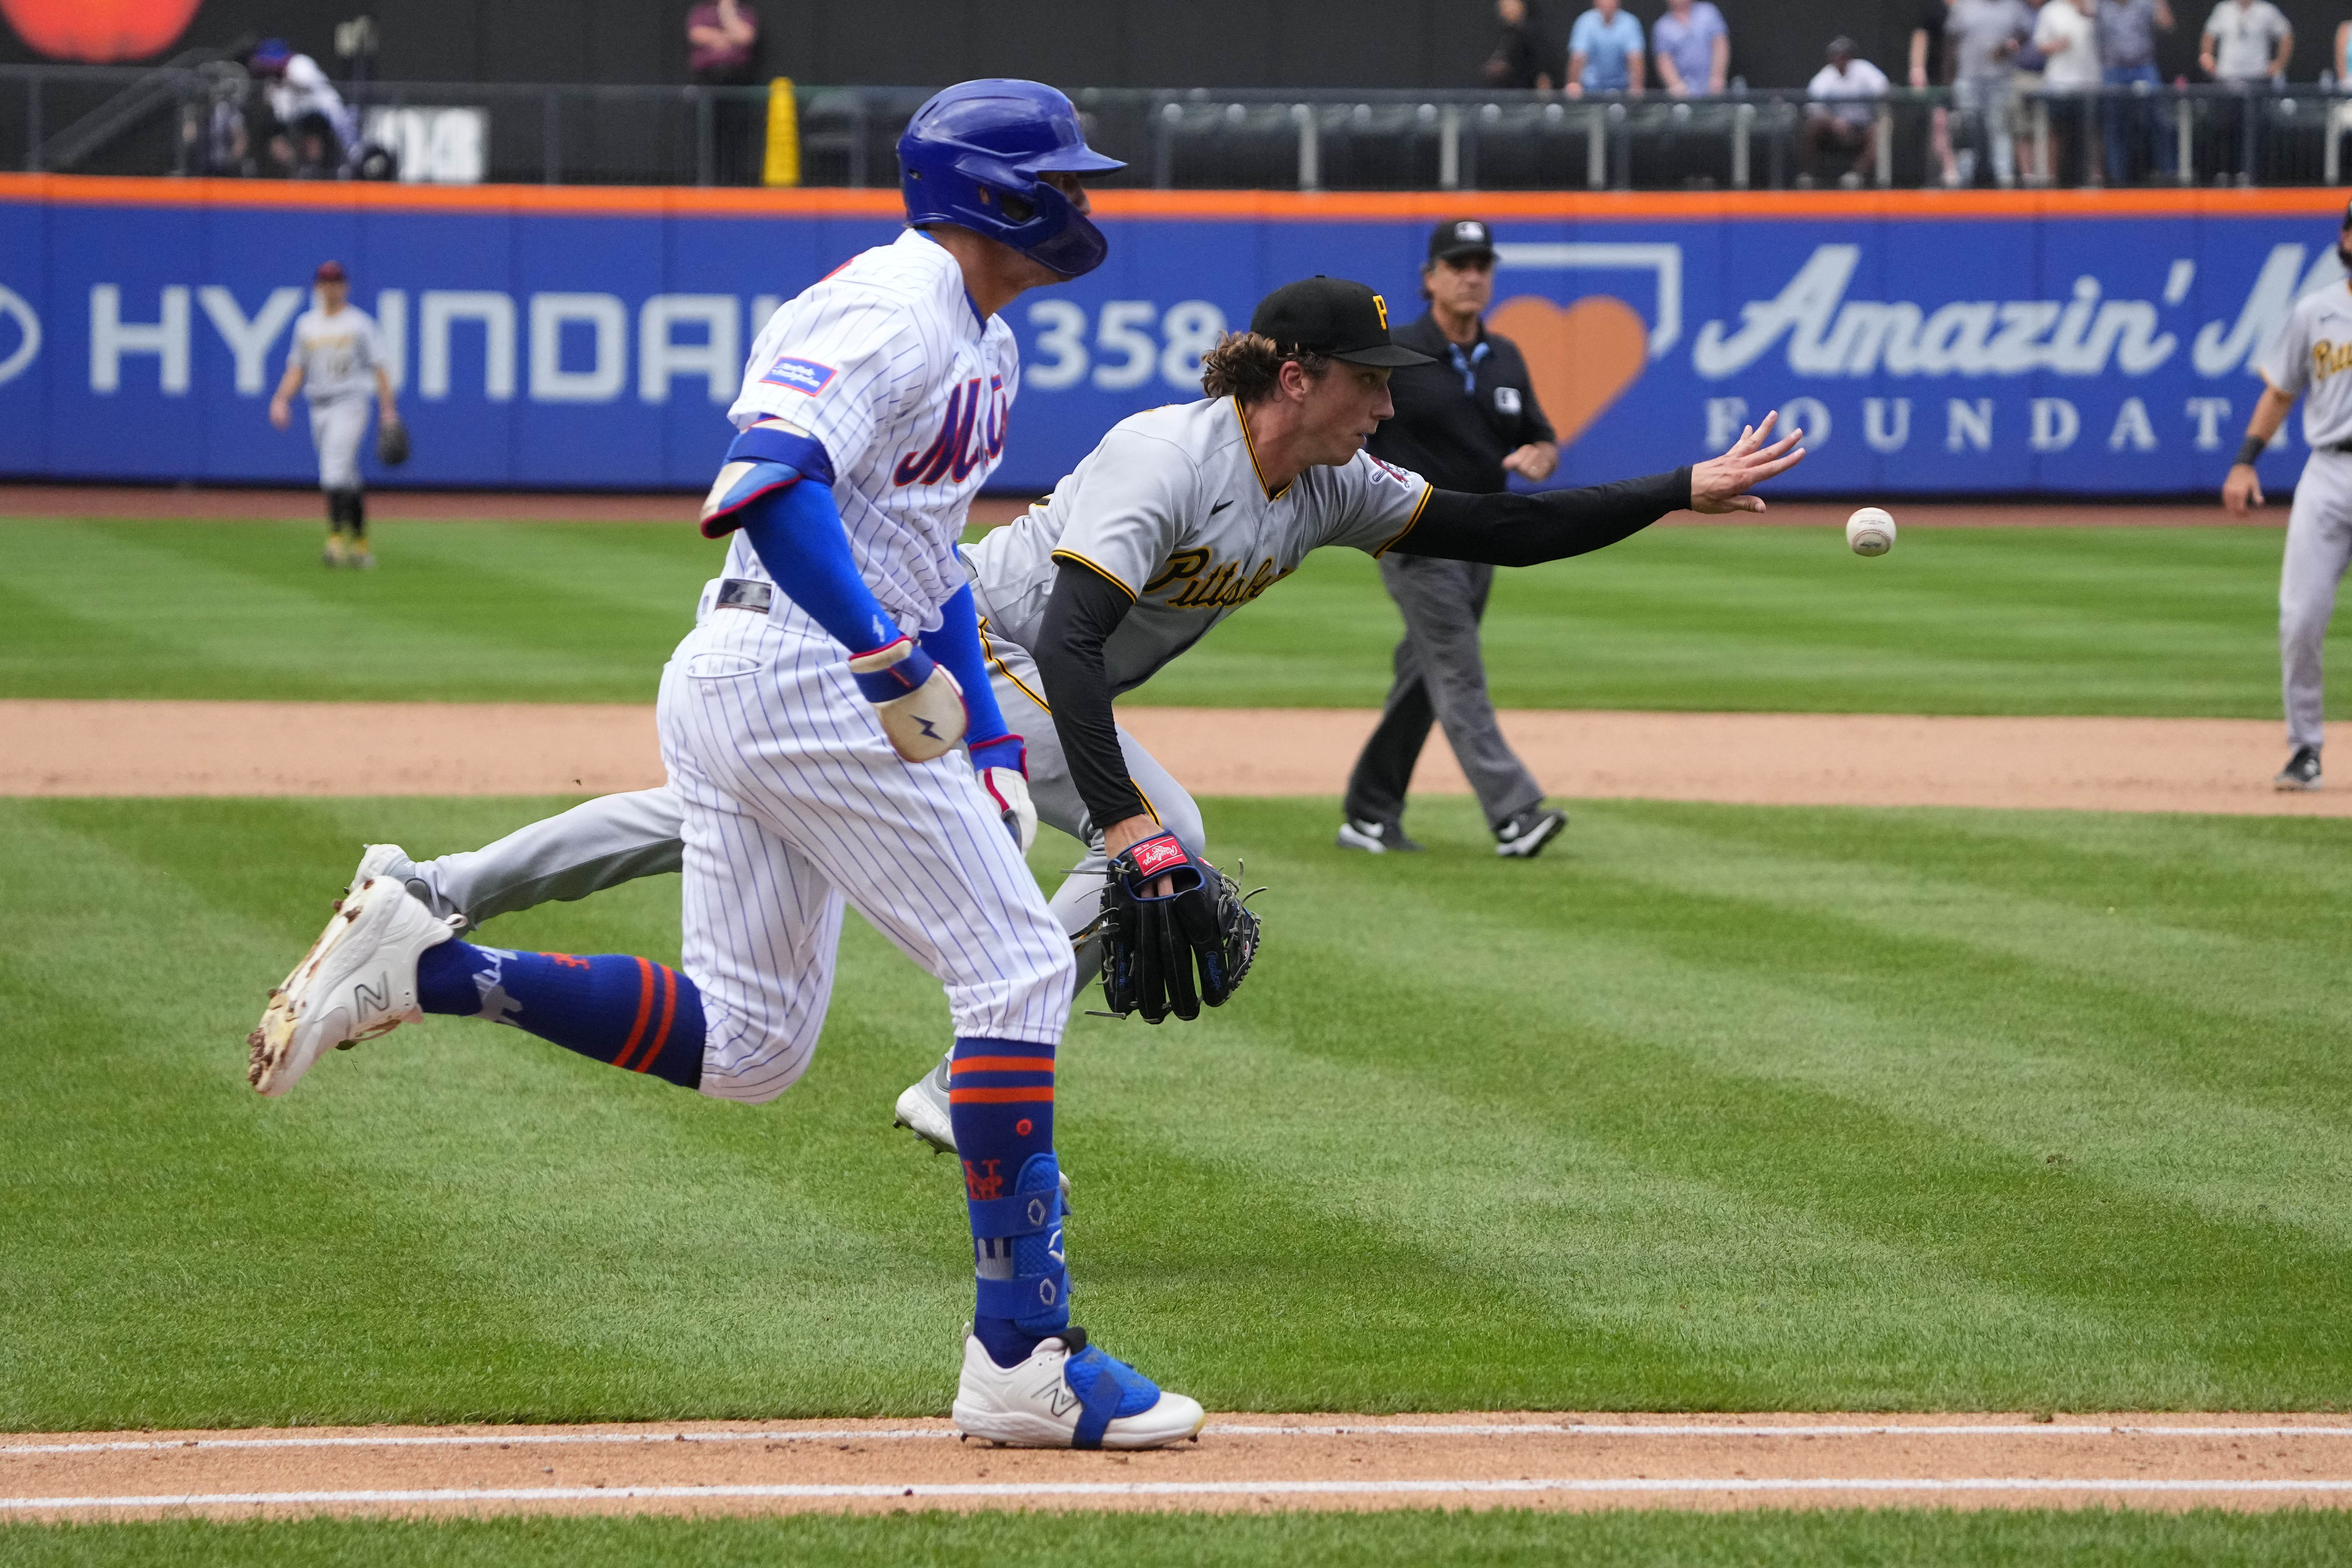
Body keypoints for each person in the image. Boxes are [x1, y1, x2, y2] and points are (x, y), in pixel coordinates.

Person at [294, 278, 1803, 1173]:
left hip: (1010, 663)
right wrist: (1132, 825)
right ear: (1297, 376)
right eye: (1368, 381)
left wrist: (1682, 485)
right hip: (983, 640)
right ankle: (966, 1072)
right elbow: (1075, 646)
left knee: (729, 819)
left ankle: (439, 890)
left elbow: (1495, 522)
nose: (1384, 405)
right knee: (1174, 835)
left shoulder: (1337, 484)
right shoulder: (1173, 454)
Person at [247, 79, 1217, 1453]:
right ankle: (1023, 1352)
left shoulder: (979, 343)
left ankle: (433, 963)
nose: (1083, 199)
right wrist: (885, 662)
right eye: (1062, 178)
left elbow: (932, 548)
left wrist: (990, 735)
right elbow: (767, 477)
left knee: (754, 1046)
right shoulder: (888, 307)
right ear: (991, 197)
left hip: (765, 674)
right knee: (1014, 966)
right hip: (795, 671)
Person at [1340, 221, 1567, 858]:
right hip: (1416, 534)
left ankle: (1366, 812)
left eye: (1480, 264)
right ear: (1429, 277)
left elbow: (1541, 436)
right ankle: (1514, 814)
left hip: (1485, 537)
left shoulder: (1505, 356)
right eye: (1457, 263)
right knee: (1459, 671)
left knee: (1425, 674)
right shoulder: (1397, 352)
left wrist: (1539, 457)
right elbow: (1355, 427)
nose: (1471, 275)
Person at [2221, 200, 2352, 792]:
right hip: (2328, 473)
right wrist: (2245, 462)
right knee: (2299, 617)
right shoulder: (2315, 312)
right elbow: (2279, 392)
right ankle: (2305, 750)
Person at [270, 261, 397, 568]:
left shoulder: (359, 324)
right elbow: (297, 369)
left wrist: (388, 412)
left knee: (333, 472)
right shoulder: (307, 325)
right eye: (326, 282)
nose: (331, 287)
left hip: (351, 402)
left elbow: (380, 368)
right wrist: (281, 399)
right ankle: (363, 546)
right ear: (317, 287)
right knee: (349, 479)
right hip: (319, 407)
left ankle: (336, 542)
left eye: (337, 282)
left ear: (346, 287)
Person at [2200, 0, 2292, 183]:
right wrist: (2207, 56)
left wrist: (2279, 64)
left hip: (2256, 81)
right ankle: (2224, 172)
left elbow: (2286, 35)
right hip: (2227, 79)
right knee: (2224, 127)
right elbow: (2209, 35)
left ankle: (2251, 174)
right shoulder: (2224, 9)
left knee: (2253, 129)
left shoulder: (2266, 11)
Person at [1947, 0, 2033, 185]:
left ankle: (2005, 180)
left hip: (2000, 77)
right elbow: (1951, 41)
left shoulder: (2013, 7)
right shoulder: (1964, 6)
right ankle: (1964, 179)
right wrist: (1950, 76)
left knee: (1999, 127)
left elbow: (2026, 34)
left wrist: (2009, 46)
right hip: (1969, 76)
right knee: (1967, 129)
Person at [246, 38, 357, 177]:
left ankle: (320, 173)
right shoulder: (272, 84)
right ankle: (295, 175)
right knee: (276, 140)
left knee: (341, 148)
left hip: (324, 118)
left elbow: (311, 86)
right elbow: (280, 115)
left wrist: (287, 78)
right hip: (296, 125)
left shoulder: (299, 64)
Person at [2099, 0, 2176, 183]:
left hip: (2143, 68)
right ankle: (2117, 177)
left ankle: (2169, 173)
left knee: (2160, 120)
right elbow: (2079, 12)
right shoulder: (2101, 5)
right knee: (2113, 123)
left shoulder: (2144, 4)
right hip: (2113, 71)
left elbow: (2168, 25)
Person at [686, 0, 762, 185]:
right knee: (707, 131)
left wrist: (727, 13)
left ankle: (733, 181)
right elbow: (697, 34)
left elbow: (746, 37)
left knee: (734, 133)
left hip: (736, 82)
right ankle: (706, 180)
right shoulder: (702, 11)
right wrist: (729, 37)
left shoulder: (744, 13)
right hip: (707, 81)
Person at [1803, 37, 1892, 187]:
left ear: (1850, 56)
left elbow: (1884, 90)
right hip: (1835, 129)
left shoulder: (1863, 69)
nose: (1839, 59)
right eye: (1836, 55)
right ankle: (1810, 176)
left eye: (1843, 55)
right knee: (1813, 127)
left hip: (1862, 127)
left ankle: (1856, 175)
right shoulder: (1827, 75)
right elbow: (1812, 105)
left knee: (1881, 129)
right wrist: (1834, 123)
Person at [2033, 0, 2101, 185]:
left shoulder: (2095, 7)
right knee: (2058, 131)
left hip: (2090, 81)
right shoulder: (2051, 10)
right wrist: (2056, 45)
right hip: (2059, 82)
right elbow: (2039, 44)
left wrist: (2090, 14)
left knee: (2089, 132)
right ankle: (2055, 178)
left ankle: (2091, 177)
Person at [1913, 0, 1962, 187]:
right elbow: (1921, 36)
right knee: (1941, 124)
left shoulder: (1971, 9)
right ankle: (1949, 169)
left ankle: (1965, 171)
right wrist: (1917, 69)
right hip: (1940, 77)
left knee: (1964, 124)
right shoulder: (1935, 10)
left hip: (1968, 76)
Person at [1567, 0, 1646, 96]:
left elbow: (1636, 58)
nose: (1607, 3)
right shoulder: (1585, 22)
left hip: (1622, 90)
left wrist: (1637, 87)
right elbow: (1578, 57)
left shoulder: (1630, 23)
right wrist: (1574, 84)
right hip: (1590, 90)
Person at [1652, 0, 1730, 96]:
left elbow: (1720, 44)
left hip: (1713, 87)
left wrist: (1718, 76)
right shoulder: (1662, 26)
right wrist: (1676, 85)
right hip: (1685, 92)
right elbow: (1664, 59)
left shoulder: (1708, 12)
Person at [1485, 0, 1554, 90]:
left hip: (1529, 94)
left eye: (1510, 6)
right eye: (1503, 8)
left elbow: (1543, 68)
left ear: (1522, 6)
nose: (1507, 11)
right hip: (1512, 93)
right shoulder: (1509, 35)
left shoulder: (1533, 32)